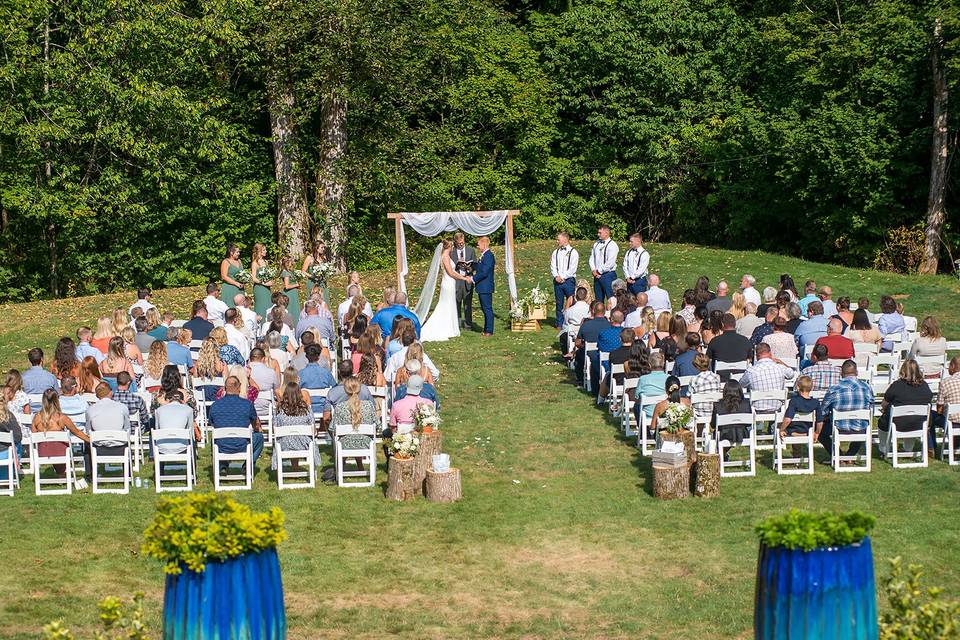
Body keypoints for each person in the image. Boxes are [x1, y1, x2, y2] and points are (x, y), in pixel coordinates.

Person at [879, 359, 934, 458]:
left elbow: (884, 403)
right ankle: (908, 449)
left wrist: (884, 409)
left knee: (882, 422)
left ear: (903, 370)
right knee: (912, 417)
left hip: (898, 423)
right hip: (920, 423)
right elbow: (929, 400)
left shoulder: (896, 385)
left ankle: (883, 448)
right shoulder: (925, 386)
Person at [421, 238, 473, 342]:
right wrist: (464, 278)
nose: (453, 247)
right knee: (445, 305)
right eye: (452, 245)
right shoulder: (445, 256)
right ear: (449, 246)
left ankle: (451, 328)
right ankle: (445, 328)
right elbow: (451, 272)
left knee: (449, 305)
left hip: (450, 283)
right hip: (448, 283)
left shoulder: (446, 256)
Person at [32, 389, 89, 478]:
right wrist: (89, 439)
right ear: (57, 400)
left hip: (42, 452)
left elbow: (34, 435)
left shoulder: (36, 417)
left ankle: (60, 474)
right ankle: (61, 473)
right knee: (60, 444)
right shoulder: (62, 418)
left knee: (50, 444)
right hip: (61, 453)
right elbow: (77, 432)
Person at [208, 376, 264, 466]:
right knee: (259, 437)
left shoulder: (215, 405)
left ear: (225, 388)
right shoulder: (247, 404)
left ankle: (222, 466)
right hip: (242, 445)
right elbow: (255, 425)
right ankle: (248, 465)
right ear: (239, 388)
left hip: (221, 446)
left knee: (215, 438)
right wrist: (257, 429)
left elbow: (213, 424)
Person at [271, 381, 320, 473]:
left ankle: (295, 468)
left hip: (284, 444)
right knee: (301, 438)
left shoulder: (278, 410)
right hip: (304, 444)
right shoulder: (306, 409)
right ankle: (296, 468)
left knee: (290, 437)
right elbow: (313, 429)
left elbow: (275, 430)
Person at [740, 343, 793, 412]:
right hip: (777, 408)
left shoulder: (751, 371)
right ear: (770, 353)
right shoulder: (780, 368)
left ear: (756, 355)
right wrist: (781, 362)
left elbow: (741, 384)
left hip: (758, 410)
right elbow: (791, 374)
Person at [85, 382, 132, 459]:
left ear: (97, 396)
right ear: (111, 393)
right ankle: (128, 469)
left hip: (99, 445)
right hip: (120, 444)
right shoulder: (122, 407)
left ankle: (90, 470)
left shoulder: (90, 409)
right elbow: (127, 428)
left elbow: (88, 431)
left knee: (86, 442)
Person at [779, 375, 823, 457]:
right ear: (811, 388)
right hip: (808, 430)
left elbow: (788, 419)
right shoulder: (816, 402)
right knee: (800, 424)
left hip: (793, 430)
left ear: (798, 387)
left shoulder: (794, 401)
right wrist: (817, 433)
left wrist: (782, 429)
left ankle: (796, 455)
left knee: (784, 426)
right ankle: (798, 456)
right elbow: (820, 422)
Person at [575, 301, 611, 393]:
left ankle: (580, 380)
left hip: (591, 354)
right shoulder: (609, 325)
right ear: (604, 312)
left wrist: (583, 345)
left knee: (578, 353)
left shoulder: (586, 325)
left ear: (593, 311)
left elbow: (577, 343)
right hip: (607, 353)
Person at [153, 390, 201, 457]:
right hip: (182, 446)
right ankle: (193, 464)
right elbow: (191, 431)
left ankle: (160, 466)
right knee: (192, 439)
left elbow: (157, 429)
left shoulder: (159, 410)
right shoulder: (188, 409)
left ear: (167, 399)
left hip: (161, 447)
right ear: (182, 400)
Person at [705, 314, 753, 379]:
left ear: (722, 324)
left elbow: (708, 360)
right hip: (740, 378)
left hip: (721, 378)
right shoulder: (745, 340)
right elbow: (750, 359)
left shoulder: (715, 341)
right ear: (735, 324)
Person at [298, 345, 336, 417]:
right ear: (318, 357)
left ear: (306, 357)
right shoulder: (326, 373)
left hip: (305, 408)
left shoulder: (300, 373)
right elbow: (334, 388)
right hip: (324, 407)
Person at [711, 380, 752, 446]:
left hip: (724, 435)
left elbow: (713, 424)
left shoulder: (718, 405)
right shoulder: (746, 403)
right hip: (742, 434)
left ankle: (723, 453)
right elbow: (749, 423)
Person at [551, 232, 579, 328]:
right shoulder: (556, 252)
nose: (557, 241)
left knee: (570, 301)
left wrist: (563, 277)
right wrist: (556, 276)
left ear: (565, 239)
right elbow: (553, 266)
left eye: (558, 239)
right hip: (557, 280)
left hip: (568, 280)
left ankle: (569, 322)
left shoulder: (573, 252)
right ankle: (559, 323)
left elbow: (572, 268)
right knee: (559, 302)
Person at [934, 355, 960, 457]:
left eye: (949, 366)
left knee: (930, 416)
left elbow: (939, 409)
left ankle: (931, 448)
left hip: (952, 422)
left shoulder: (945, 382)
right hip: (954, 421)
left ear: (953, 366)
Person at [450, 232, 477, 329]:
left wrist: (469, 268)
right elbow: (449, 267)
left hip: (467, 279)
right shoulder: (452, 252)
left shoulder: (471, 250)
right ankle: (456, 324)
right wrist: (457, 264)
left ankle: (468, 325)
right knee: (456, 302)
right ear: (455, 242)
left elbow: (475, 265)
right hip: (456, 279)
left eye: (462, 242)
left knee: (467, 303)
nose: (461, 245)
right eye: (458, 243)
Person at [634, 352, 669, 426]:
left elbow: (636, 397)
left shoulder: (643, 379)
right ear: (663, 364)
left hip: (648, 414)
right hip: (665, 413)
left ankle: (641, 430)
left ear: (649, 365)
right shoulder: (669, 378)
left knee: (636, 405)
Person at [472, 235, 496, 336]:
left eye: (479, 244)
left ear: (484, 244)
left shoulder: (489, 256)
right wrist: (472, 265)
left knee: (487, 309)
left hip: (485, 287)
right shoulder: (484, 255)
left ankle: (489, 330)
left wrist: (473, 278)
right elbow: (481, 267)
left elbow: (485, 272)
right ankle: (486, 329)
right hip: (482, 287)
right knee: (485, 308)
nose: (478, 246)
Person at [590, 225, 619, 303]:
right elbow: (592, 258)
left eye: (600, 233)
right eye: (598, 232)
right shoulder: (596, 244)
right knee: (598, 300)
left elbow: (610, 262)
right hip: (596, 275)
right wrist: (593, 270)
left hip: (608, 275)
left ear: (606, 233)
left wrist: (599, 271)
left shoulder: (612, 245)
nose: (598, 234)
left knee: (611, 299)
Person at [248, 348, 279, 415]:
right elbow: (277, 391)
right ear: (263, 359)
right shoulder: (271, 372)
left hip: (248, 407)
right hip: (267, 408)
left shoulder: (243, 371)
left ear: (250, 359)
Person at [562, 287, 591, 356]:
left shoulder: (569, 310)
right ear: (586, 296)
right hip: (587, 333)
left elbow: (565, 324)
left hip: (573, 333)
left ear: (575, 296)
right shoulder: (590, 309)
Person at [250, 243, 274, 320]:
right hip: (260, 288)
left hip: (267, 289)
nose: (266, 251)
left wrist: (271, 280)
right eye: (264, 250)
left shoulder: (266, 262)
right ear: (259, 251)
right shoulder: (255, 263)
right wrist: (264, 283)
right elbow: (254, 278)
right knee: (261, 306)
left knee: (268, 305)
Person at [220, 242, 245, 309]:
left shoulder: (239, 261)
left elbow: (242, 273)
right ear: (231, 252)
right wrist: (236, 283)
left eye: (239, 252)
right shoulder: (226, 262)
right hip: (229, 288)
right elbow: (224, 276)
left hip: (239, 288)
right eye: (237, 252)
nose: (239, 254)